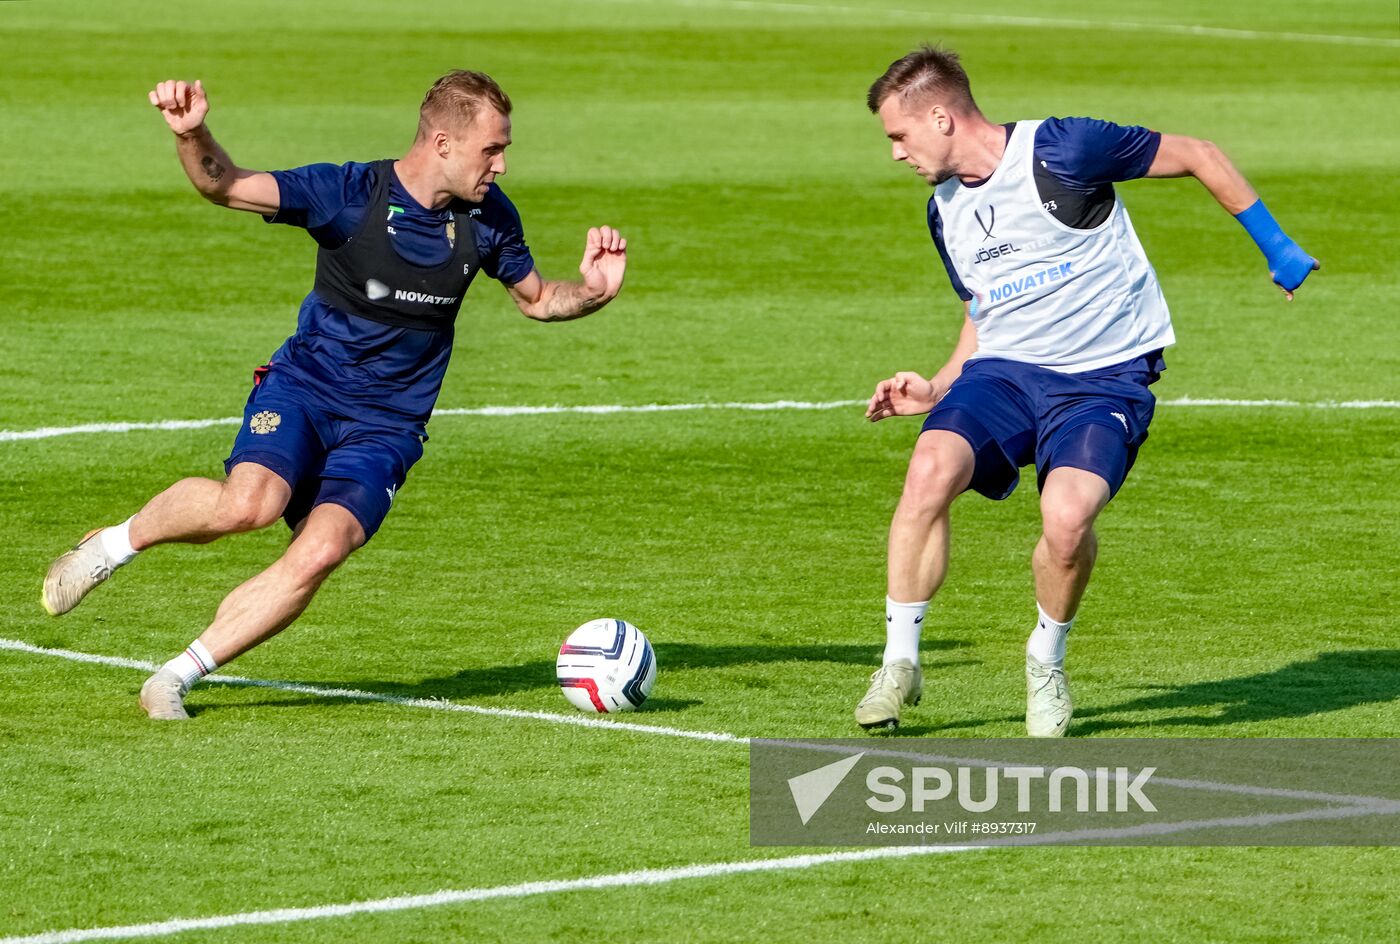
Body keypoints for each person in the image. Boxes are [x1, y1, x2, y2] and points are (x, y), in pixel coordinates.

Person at [42, 72, 628, 720]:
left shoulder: (489, 218)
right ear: (443, 143)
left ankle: (174, 678)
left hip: (388, 427)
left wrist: (592, 291)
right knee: (249, 506)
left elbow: (538, 299)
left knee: (320, 550)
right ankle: (112, 546)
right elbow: (225, 184)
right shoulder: (349, 194)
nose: (502, 165)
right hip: (307, 389)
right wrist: (192, 133)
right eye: (492, 150)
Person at [855, 45, 1317, 736]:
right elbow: (985, 307)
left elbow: (1198, 153)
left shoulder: (1063, 149)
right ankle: (899, 662)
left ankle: (1045, 660)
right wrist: (938, 384)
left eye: (900, 134)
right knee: (928, 471)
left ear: (942, 118)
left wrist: (1277, 247)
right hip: (1005, 374)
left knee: (1067, 523)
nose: (896, 153)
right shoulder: (943, 209)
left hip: (1104, 379)